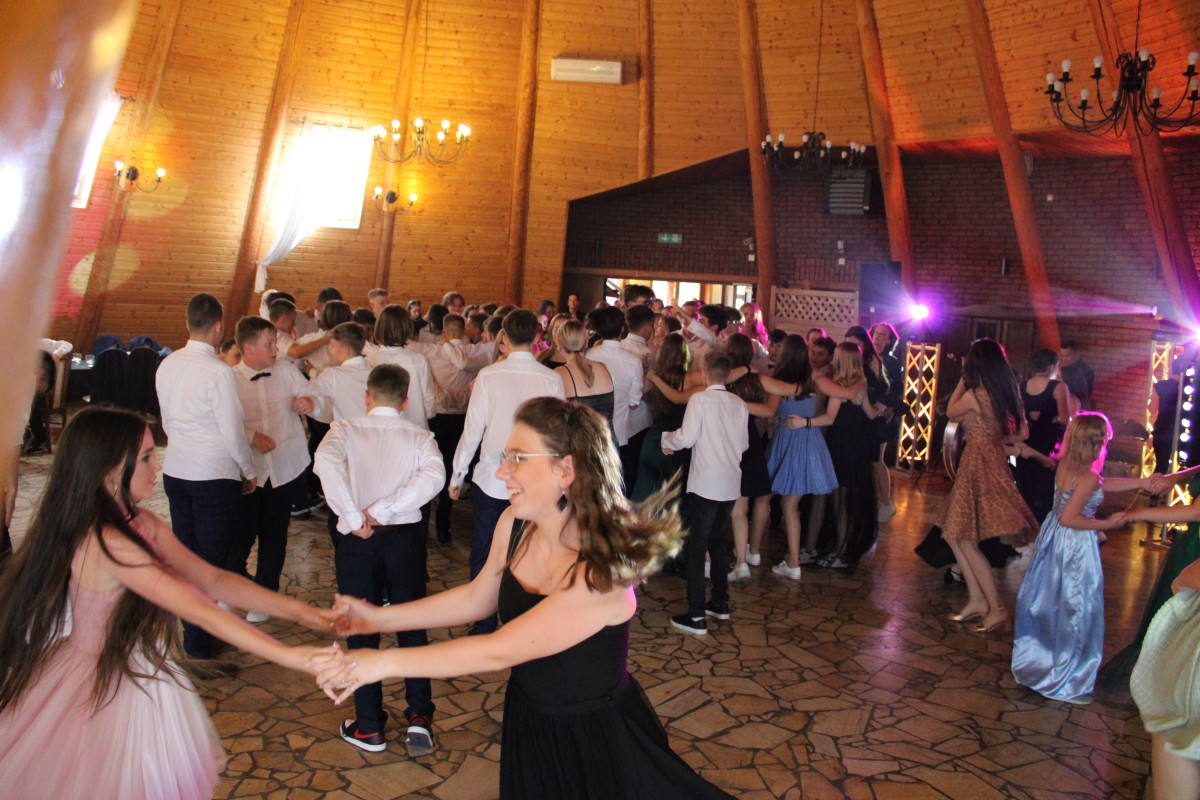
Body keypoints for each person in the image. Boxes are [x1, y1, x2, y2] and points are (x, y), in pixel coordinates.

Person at [311, 397, 732, 799]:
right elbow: (476, 599)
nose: (501, 472)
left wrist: (377, 663)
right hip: (531, 716)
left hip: (593, 738)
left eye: (517, 457)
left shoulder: (600, 571)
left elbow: (497, 650)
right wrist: (377, 619)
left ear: (565, 470)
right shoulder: (515, 523)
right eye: (504, 456)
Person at [0, 407, 337, 798]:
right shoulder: (109, 543)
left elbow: (212, 579)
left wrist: (303, 612)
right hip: (104, 684)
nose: (156, 466)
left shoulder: (140, 521)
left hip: (143, 670)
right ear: (110, 471)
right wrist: (292, 656)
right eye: (146, 458)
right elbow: (199, 610)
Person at [314, 365, 445, 756]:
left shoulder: (343, 430)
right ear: (405, 400)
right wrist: (385, 511)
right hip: (403, 541)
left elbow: (325, 463)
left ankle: (369, 726)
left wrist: (355, 516)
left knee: (361, 631)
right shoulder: (420, 437)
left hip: (358, 543)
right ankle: (419, 716)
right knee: (411, 627)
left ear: (367, 396)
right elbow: (434, 478)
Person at [1011, 412, 1153, 706]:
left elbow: (1100, 484)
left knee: (1054, 603)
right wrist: (1107, 523)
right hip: (1075, 544)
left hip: (1054, 538)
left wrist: (1142, 482)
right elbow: (1070, 517)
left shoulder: (1069, 465)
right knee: (1077, 608)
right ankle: (1068, 678)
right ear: (1097, 444)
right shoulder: (1087, 477)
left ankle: (1046, 663)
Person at [156, 293, 259, 659]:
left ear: (187, 323)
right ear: (218, 327)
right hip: (213, 474)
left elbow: (166, 421)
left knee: (186, 555)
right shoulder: (218, 372)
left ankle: (192, 629)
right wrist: (248, 470)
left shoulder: (167, 363)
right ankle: (199, 641)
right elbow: (232, 431)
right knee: (212, 560)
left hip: (176, 469)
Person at [450, 310, 565, 634]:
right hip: (537, 480)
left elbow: (472, 431)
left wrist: (457, 475)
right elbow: (559, 433)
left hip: (493, 476)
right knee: (535, 549)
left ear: (504, 337)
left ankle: (483, 622)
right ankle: (527, 622)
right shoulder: (550, 378)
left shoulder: (488, 376)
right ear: (537, 337)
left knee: (486, 550)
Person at [940, 339, 1036, 635]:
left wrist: (962, 379)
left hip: (976, 465)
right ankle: (977, 599)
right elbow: (1022, 432)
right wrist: (995, 440)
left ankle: (995, 607)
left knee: (964, 538)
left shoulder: (974, 394)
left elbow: (950, 412)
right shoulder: (1002, 393)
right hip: (989, 461)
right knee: (954, 534)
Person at [229, 316, 312, 614]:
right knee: (241, 533)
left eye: (275, 343)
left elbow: (316, 395)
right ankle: (233, 588)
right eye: (269, 344)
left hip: (284, 464)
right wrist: (252, 436)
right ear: (249, 348)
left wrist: (310, 402)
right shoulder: (228, 379)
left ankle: (265, 598)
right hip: (247, 469)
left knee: (275, 534)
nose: (276, 349)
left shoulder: (287, 371)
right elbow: (219, 423)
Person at [662, 351, 748, 635]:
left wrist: (666, 439)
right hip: (730, 483)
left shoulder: (700, 400)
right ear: (727, 375)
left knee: (697, 548)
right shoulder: (739, 404)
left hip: (706, 484)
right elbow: (744, 444)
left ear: (704, 372)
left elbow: (686, 438)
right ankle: (720, 602)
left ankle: (696, 614)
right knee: (716, 541)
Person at [764, 335, 837, 576]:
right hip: (804, 438)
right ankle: (793, 561)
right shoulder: (813, 377)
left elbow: (769, 410)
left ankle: (793, 562)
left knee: (787, 504)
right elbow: (841, 396)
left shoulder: (781, 378)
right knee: (789, 504)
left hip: (792, 438)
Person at [1015, 349, 1071, 524]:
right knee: (1046, 492)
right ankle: (1043, 529)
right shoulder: (1058, 387)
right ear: (1052, 366)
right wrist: (1053, 418)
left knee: (1026, 490)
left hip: (1026, 444)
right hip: (1049, 445)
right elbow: (1065, 419)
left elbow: (1018, 416)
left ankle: (1026, 529)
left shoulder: (1021, 386)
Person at [554, 320, 616, 438]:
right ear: (586, 342)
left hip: (581, 445)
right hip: (609, 443)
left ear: (559, 343)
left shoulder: (560, 373)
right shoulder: (603, 367)